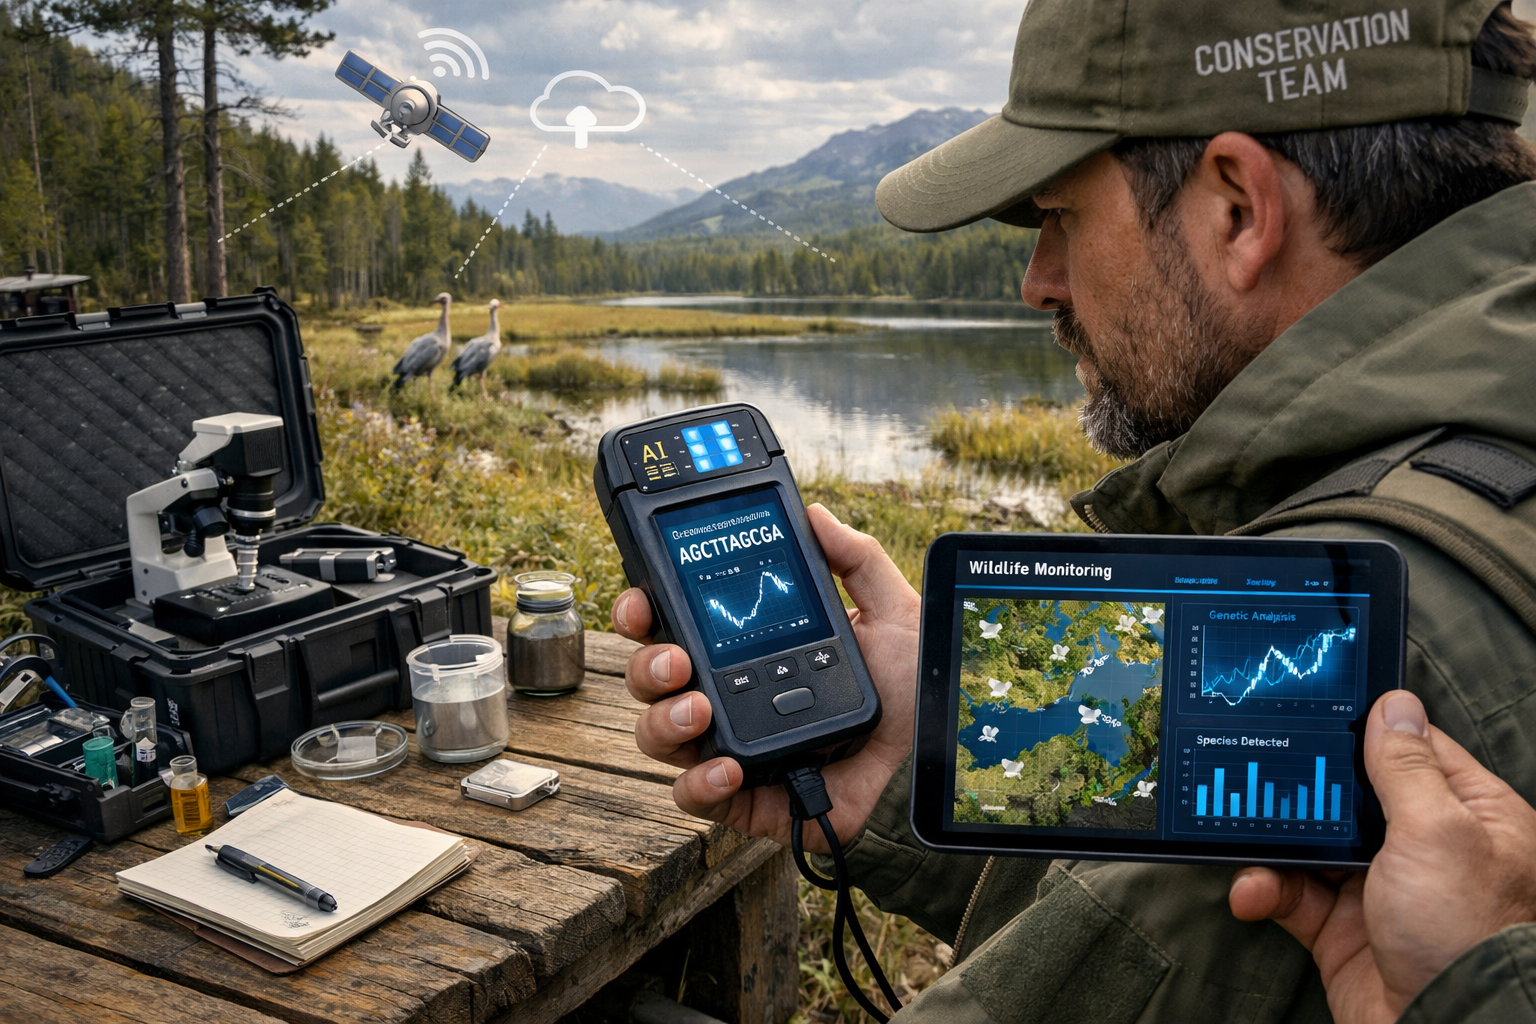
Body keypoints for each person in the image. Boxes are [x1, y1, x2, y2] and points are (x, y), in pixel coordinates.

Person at [614, 0, 1536, 1019]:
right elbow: (1151, 938)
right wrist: (927, 763)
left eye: (1062, 216)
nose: (1036, 282)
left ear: (1239, 209)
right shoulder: (1481, 452)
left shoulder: (1344, 631)